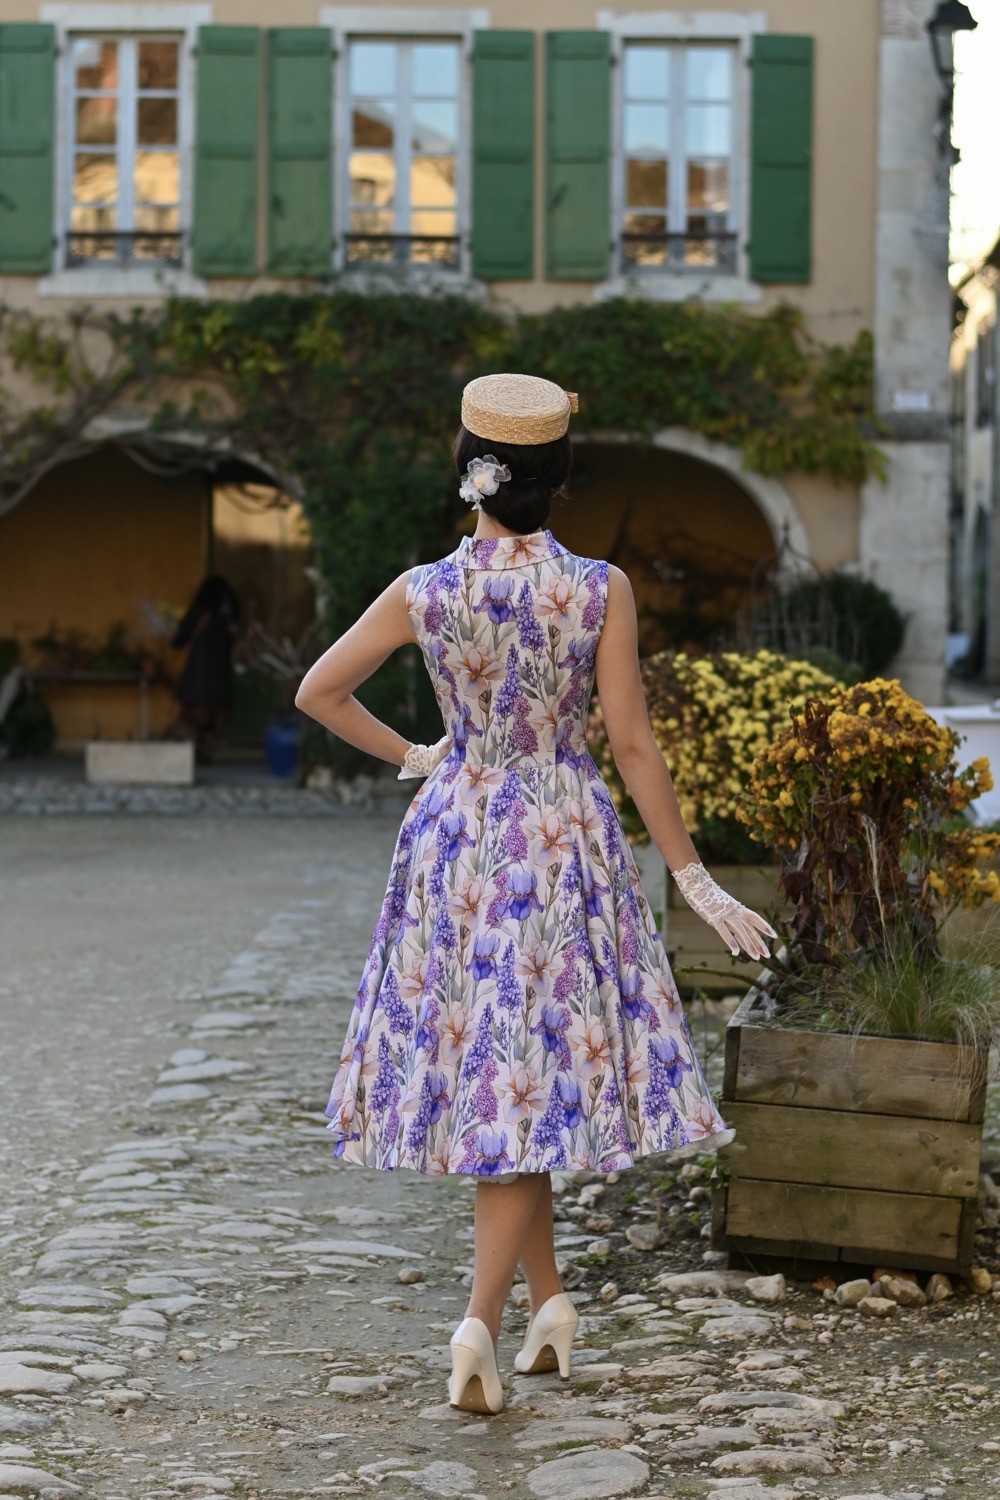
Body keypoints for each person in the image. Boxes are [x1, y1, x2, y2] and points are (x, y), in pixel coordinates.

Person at [295, 374, 774, 1416]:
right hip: (560, 836)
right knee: (525, 1074)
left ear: (469, 473)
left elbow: (316, 691)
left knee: (509, 1072)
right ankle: (491, 1318)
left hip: (458, 834)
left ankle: (532, 1308)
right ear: (558, 482)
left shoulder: (424, 588)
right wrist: (690, 876)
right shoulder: (598, 587)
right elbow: (633, 745)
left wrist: (419, 754)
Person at [170, 575, 240, 761]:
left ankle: (189, 755)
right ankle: (206, 749)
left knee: (194, 717)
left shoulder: (200, 612)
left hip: (198, 675)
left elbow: (178, 640)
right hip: (220, 675)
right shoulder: (228, 617)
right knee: (211, 719)